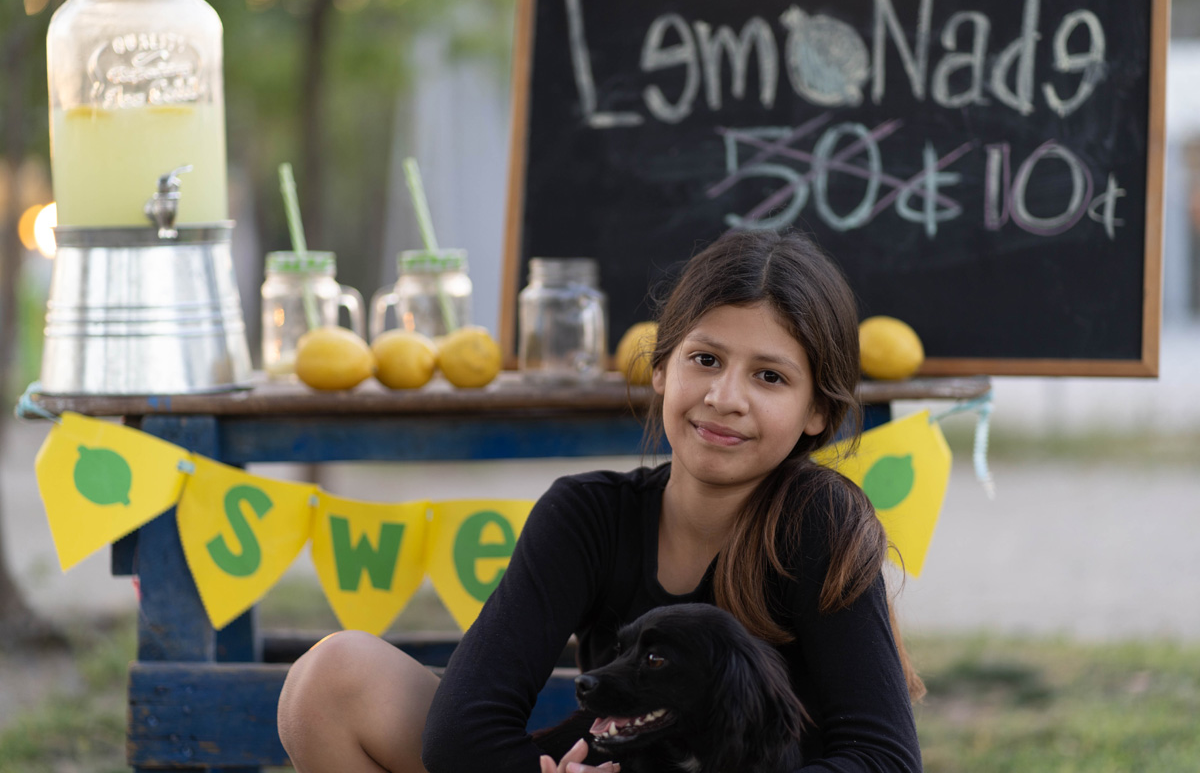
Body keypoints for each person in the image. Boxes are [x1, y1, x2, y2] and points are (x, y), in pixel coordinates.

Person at [277, 228, 925, 773]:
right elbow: (462, 730)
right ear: (662, 369)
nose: (726, 397)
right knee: (329, 680)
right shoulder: (587, 516)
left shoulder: (819, 522)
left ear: (817, 410)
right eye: (705, 359)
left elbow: (884, 759)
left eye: (769, 376)